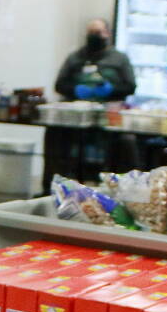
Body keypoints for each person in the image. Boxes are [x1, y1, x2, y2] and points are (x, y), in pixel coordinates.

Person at [46, 19, 137, 187]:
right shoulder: (75, 58)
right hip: (76, 116)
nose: (94, 36)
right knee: (54, 134)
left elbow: (130, 87)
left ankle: (117, 185)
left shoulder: (120, 59)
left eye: (98, 32)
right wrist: (75, 90)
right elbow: (59, 85)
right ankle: (54, 185)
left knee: (126, 141)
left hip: (109, 115)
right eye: (91, 33)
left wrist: (111, 90)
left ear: (107, 34)